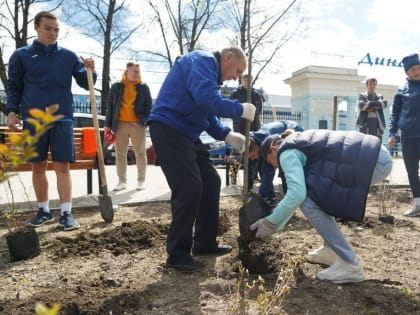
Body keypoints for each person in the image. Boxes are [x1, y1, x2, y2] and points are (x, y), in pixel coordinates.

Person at [148, 46, 255, 272]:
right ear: (227, 57)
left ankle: (204, 243)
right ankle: (177, 254)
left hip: (187, 133)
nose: (236, 78)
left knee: (210, 182)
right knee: (189, 188)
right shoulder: (202, 61)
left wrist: (227, 135)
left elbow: (206, 115)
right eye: (237, 70)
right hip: (169, 128)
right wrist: (239, 109)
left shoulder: (208, 76)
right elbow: (207, 101)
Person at [250, 129, 392, 283]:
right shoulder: (297, 141)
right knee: (318, 195)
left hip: (372, 162)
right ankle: (330, 250)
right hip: (375, 154)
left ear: (273, 150)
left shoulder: (285, 152)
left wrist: (270, 222)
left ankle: (350, 264)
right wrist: (275, 225)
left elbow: (297, 195)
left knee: (308, 202)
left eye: (271, 162)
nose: (275, 167)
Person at [6, 11, 96, 231]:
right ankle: (43, 210)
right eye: (48, 28)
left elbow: (86, 83)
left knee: (62, 166)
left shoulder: (68, 56)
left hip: (62, 119)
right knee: (38, 166)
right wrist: (11, 112)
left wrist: (91, 70)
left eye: (56, 30)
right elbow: (14, 87)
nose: (52, 33)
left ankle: (66, 213)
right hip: (33, 120)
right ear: (36, 27)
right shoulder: (21, 56)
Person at [104, 61, 152, 191]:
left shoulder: (144, 87)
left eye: (138, 71)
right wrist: (107, 125)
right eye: (135, 71)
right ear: (127, 72)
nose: (137, 74)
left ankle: (141, 181)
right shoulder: (116, 87)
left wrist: (146, 122)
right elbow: (110, 107)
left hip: (138, 124)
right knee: (120, 154)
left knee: (140, 154)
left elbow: (149, 107)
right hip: (119, 125)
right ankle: (122, 182)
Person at [389, 53, 420, 217]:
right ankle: (418, 204)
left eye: (418, 68)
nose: (416, 71)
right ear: (406, 72)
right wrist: (392, 133)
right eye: (412, 69)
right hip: (407, 137)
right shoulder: (401, 90)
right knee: (412, 172)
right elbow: (395, 114)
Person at [247, 120, 304, 206]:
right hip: (282, 135)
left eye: (252, 156)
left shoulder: (266, 141)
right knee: (265, 169)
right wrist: (249, 189)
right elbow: (259, 170)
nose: (252, 159)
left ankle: (289, 204)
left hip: (294, 132)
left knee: (286, 174)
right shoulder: (254, 141)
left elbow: (268, 173)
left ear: (256, 149)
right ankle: (272, 198)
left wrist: (260, 197)